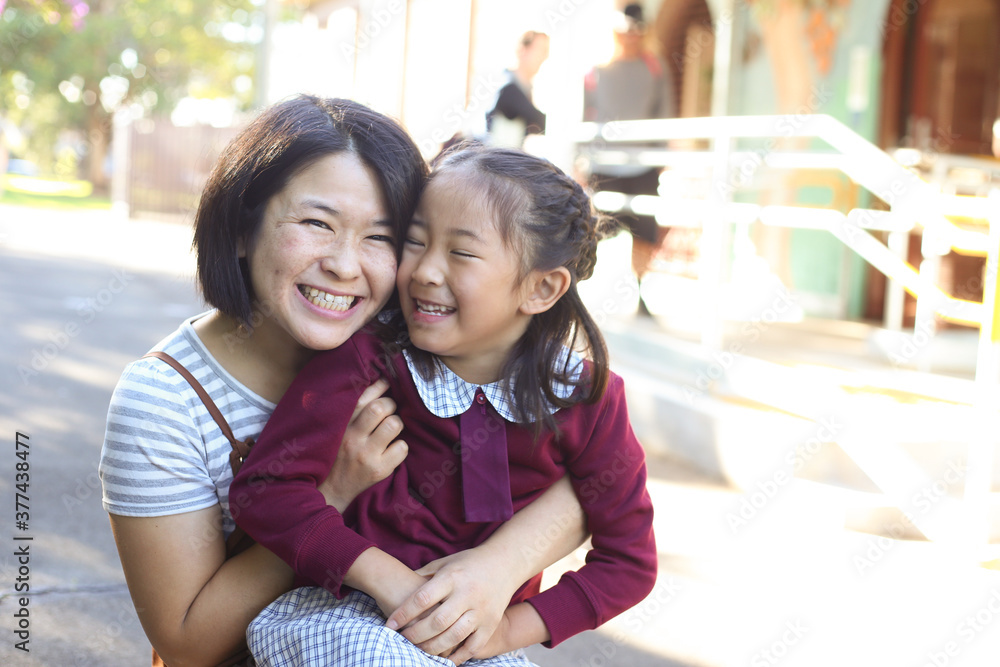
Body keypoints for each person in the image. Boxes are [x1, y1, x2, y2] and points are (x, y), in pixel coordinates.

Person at [99, 96, 587, 667]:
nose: (345, 264)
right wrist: (328, 496)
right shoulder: (163, 402)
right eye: (315, 223)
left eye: (381, 237)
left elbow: (594, 474)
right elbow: (187, 643)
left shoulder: (421, 347)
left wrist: (494, 568)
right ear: (241, 227)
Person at [229, 144, 658, 666]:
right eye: (414, 242)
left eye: (461, 252)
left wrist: (501, 635)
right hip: (338, 613)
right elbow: (265, 492)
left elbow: (629, 561)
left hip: (472, 643)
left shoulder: (585, 399)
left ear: (542, 287)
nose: (424, 271)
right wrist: (388, 580)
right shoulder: (366, 361)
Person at [583, 3, 673, 313]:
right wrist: (584, 157)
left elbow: (665, 113)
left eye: (637, 30)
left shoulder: (654, 67)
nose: (631, 36)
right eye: (625, 30)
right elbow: (586, 114)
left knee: (644, 232)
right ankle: (577, 290)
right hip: (604, 164)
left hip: (644, 164)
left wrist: (661, 157)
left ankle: (640, 294)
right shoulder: (596, 69)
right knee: (593, 229)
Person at [485, 31, 549, 149]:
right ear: (522, 50)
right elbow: (542, 123)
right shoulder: (509, 88)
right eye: (540, 50)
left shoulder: (524, 88)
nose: (544, 57)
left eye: (546, 52)